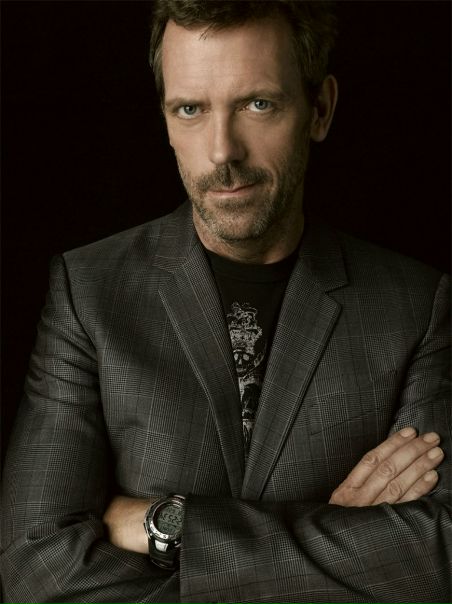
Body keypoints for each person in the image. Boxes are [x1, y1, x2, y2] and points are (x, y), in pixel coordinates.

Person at [1, 1, 450, 602]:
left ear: (320, 109)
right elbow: (37, 571)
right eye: (190, 109)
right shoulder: (89, 291)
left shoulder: (415, 305)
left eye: (257, 105)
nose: (222, 152)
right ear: (165, 120)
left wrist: (170, 527)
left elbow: (438, 556)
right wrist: (337, 538)